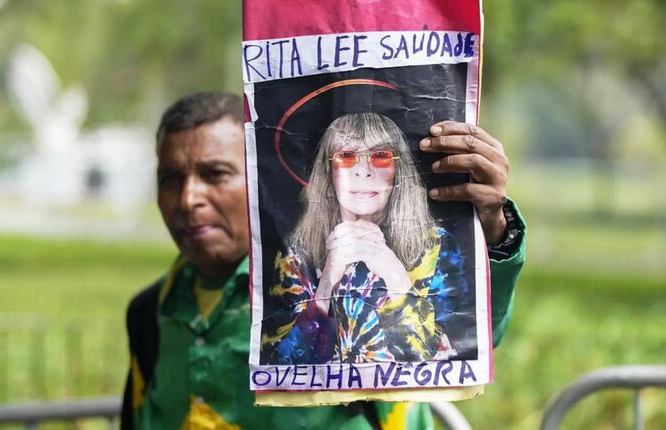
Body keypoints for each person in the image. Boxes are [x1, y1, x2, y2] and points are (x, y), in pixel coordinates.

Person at [121, 92, 526, 429]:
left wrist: (490, 226)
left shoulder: (389, 264)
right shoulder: (149, 312)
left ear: (260, 180)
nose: (188, 198)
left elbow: (464, 339)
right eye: (169, 179)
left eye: (215, 174)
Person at [261, 113, 464, 365]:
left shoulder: (436, 245)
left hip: (399, 404)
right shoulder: (297, 252)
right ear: (328, 172)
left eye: (380, 156)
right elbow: (279, 364)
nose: (363, 172)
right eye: (346, 157)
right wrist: (325, 287)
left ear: (398, 171)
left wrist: (394, 275)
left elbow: (448, 358)